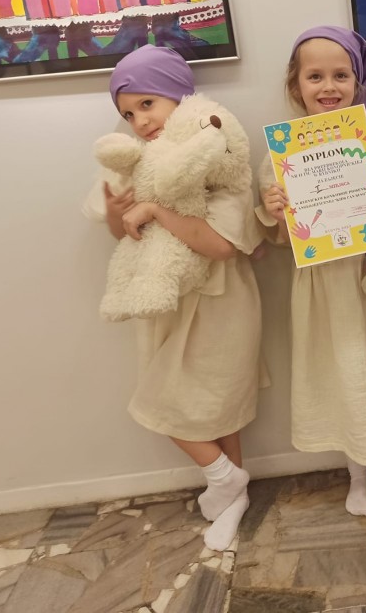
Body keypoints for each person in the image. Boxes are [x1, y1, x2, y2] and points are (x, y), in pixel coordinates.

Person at [82, 45, 265, 550]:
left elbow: (221, 245)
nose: (139, 121)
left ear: (180, 99)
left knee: (212, 404)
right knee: (187, 404)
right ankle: (230, 485)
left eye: (147, 104)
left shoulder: (218, 159)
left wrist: (156, 211)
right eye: (127, 114)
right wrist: (120, 214)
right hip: (169, 303)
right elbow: (128, 234)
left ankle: (227, 482)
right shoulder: (137, 168)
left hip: (222, 305)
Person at [259, 26, 366, 516]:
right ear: (296, 84)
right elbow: (281, 240)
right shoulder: (280, 155)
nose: (328, 86)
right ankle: (357, 475)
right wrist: (276, 211)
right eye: (315, 76)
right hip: (325, 288)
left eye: (341, 75)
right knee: (345, 376)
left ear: (357, 82)